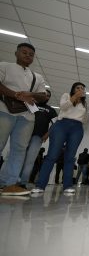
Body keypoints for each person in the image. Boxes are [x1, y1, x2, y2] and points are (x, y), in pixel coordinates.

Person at [0, 43, 47, 196]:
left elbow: (44, 95)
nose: (27, 56)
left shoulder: (37, 77)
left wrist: (29, 94)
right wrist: (15, 94)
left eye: (31, 54)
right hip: (4, 110)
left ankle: (10, 184)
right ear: (16, 53)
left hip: (27, 116)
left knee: (19, 149)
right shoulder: (5, 66)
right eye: (24, 52)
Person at [31, 82, 88, 194]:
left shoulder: (85, 103)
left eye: (82, 88)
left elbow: (85, 119)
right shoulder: (66, 95)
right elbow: (63, 107)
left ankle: (67, 186)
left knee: (70, 157)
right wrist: (75, 96)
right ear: (73, 89)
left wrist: (81, 127)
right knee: (52, 155)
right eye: (78, 88)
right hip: (61, 125)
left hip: (77, 128)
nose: (80, 89)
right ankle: (40, 185)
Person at [19, 89, 57, 188]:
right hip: (23, 133)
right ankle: (8, 180)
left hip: (38, 137)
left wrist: (48, 134)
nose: (46, 97)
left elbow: (55, 124)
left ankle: (22, 182)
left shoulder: (51, 110)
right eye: (45, 95)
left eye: (48, 95)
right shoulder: (30, 104)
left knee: (30, 160)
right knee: (16, 156)